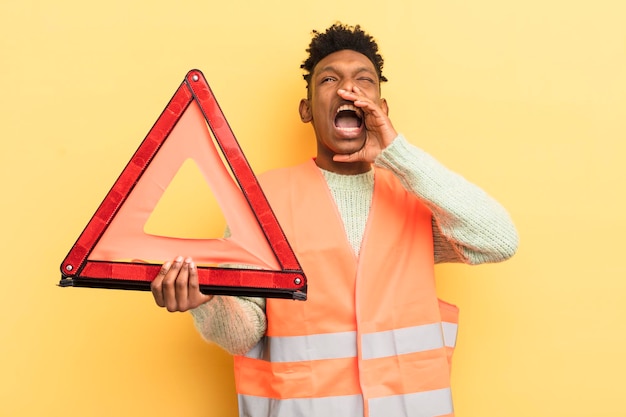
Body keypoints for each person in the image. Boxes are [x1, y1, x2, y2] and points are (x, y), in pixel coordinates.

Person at [151, 22, 519, 417]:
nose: (348, 90)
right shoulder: (265, 200)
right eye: (330, 79)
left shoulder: (415, 197)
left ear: (382, 107)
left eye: (364, 80)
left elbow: (497, 240)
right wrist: (206, 302)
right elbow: (245, 333)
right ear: (306, 110)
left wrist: (396, 152)